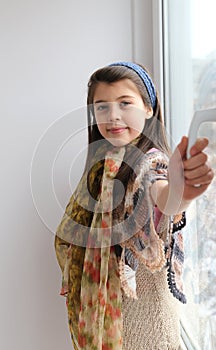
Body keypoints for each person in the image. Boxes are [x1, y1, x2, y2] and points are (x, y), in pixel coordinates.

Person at [54, 62, 214, 350]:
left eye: (125, 103)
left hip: (146, 326)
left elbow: (164, 196)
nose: (113, 116)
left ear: (148, 108)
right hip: (108, 320)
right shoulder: (103, 166)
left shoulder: (149, 161)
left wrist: (183, 190)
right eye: (101, 107)